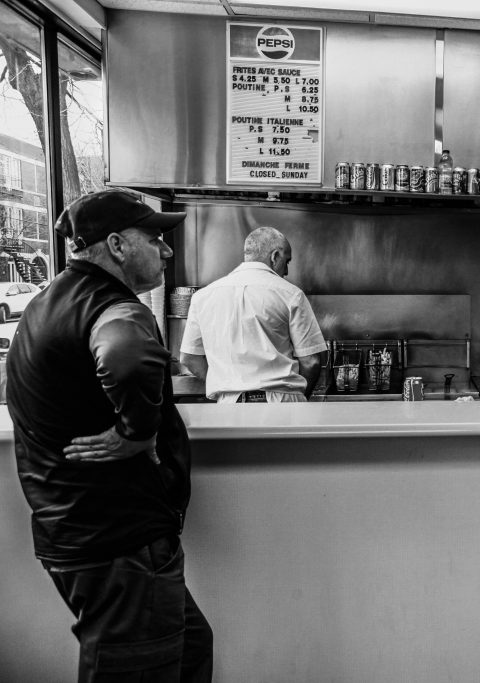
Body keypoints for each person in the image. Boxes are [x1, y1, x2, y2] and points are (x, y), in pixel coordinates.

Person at [6, 189, 213, 681]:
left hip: (85, 530)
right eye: (154, 239)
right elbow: (126, 356)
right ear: (117, 245)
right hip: (117, 540)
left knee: (190, 646)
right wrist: (137, 432)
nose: (166, 250)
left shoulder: (47, 302)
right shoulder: (116, 307)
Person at [179, 226, 326, 403]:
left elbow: (189, 358)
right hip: (281, 402)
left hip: (228, 405)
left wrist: (225, 384)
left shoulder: (202, 296)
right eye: (287, 261)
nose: (286, 271)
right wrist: (299, 396)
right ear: (275, 256)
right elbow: (311, 362)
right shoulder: (291, 294)